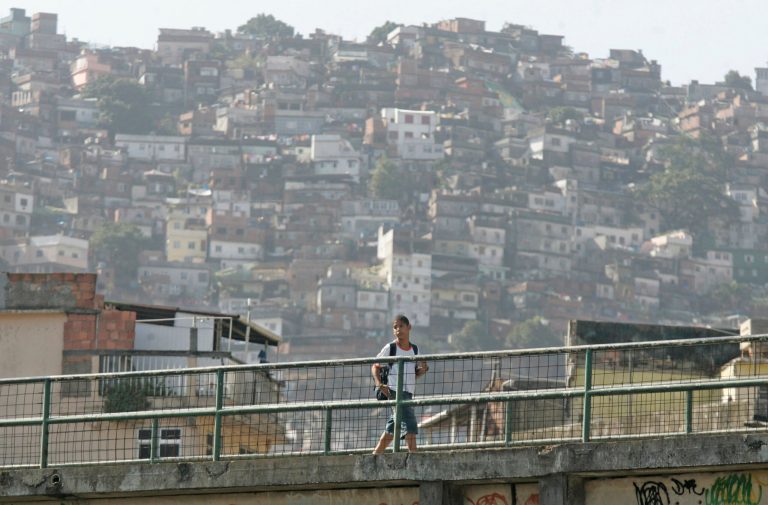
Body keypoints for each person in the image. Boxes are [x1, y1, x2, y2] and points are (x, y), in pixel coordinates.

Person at [371, 314, 429, 454]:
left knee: (393, 426)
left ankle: (375, 454)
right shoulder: (390, 348)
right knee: (410, 423)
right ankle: (413, 456)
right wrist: (379, 384)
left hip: (408, 392)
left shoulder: (414, 350)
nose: (398, 330)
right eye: (395, 327)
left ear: (409, 327)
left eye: (401, 326)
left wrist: (423, 369)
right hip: (394, 391)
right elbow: (375, 366)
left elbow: (415, 373)